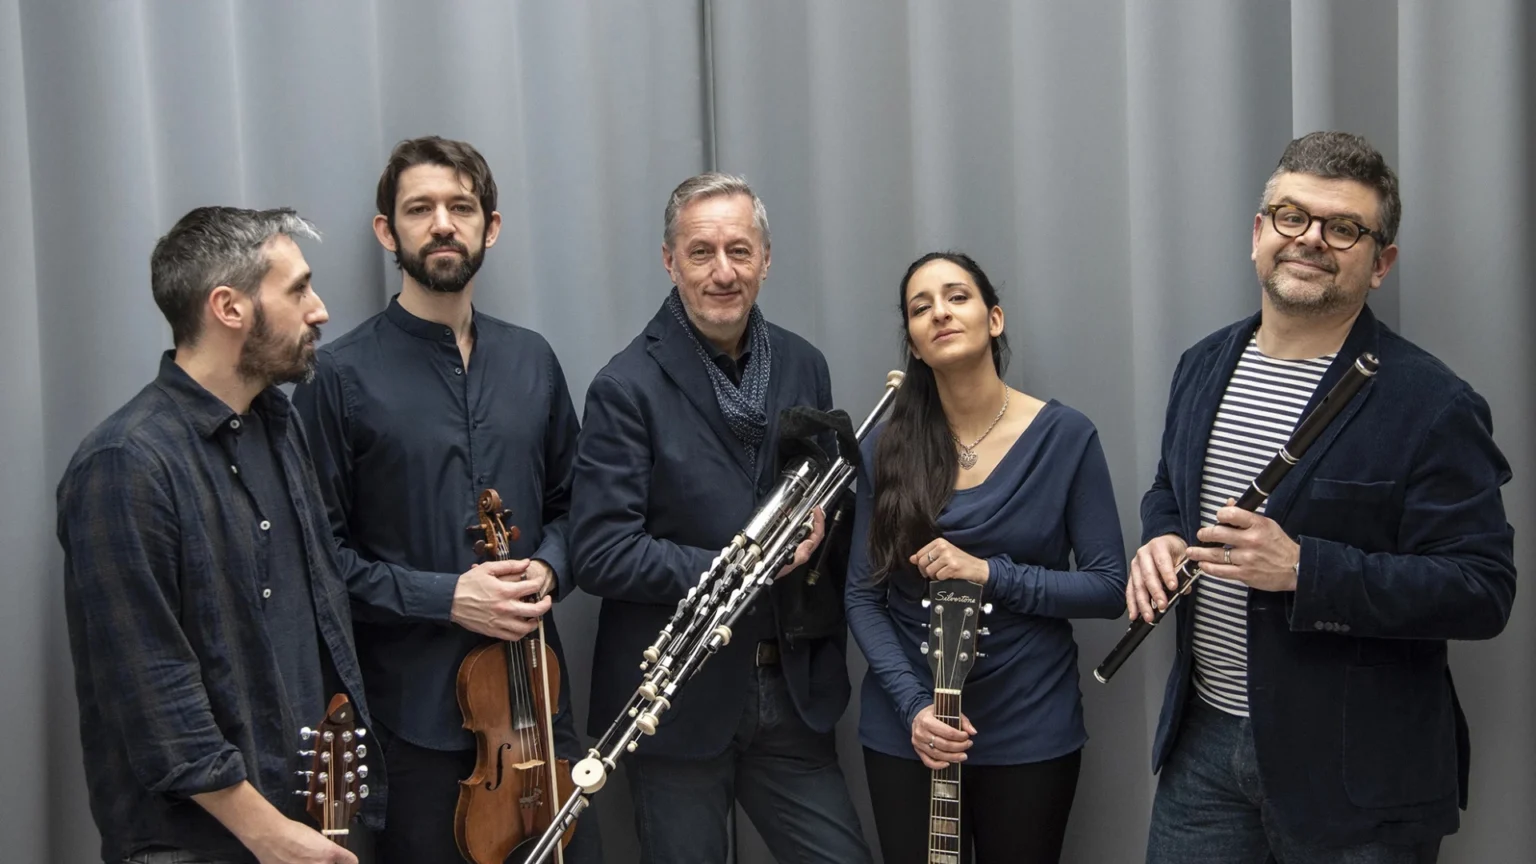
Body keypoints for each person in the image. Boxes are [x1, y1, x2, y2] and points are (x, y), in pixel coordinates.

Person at [1127, 131, 1516, 863]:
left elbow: (1482, 589)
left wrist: (1306, 570)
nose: (1310, 239)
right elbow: (1169, 489)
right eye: (1291, 216)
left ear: (1381, 263)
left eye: (1343, 228)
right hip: (1203, 745)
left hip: (1356, 773)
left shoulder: (1434, 403)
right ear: (1258, 233)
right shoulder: (1202, 364)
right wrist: (1162, 535)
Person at [292, 136, 599, 863]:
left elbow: (578, 504)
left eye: (461, 207)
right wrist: (446, 597)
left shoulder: (532, 359)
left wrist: (551, 567)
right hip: (411, 724)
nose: (441, 224)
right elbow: (316, 563)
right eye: (419, 208)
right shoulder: (337, 378)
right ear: (386, 231)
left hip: (539, 711)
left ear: (490, 227)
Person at [569, 172, 872, 863]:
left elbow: (824, 496)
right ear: (670, 261)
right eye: (701, 252)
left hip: (790, 691)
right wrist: (743, 566)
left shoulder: (803, 363)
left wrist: (825, 521)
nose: (723, 272)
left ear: (766, 259)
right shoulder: (625, 386)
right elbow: (601, 553)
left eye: (740, 250)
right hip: (677, 700)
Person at [58, 206, 376, 864]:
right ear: (229, 308)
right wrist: (268, 834)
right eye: (298, 290)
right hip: (199, 847)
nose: (319, 310)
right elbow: (152, 689)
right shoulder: (125, 464)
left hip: (311, 828)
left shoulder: (279, 426)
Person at [843, 251, 1127, 864]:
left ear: (994, 319)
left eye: (957, 297)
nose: (940, 313)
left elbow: (1109, 589)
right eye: (921, 307)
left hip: (1030, 724)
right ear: (914, 345)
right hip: (909, 728)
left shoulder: (1066, 436)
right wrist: (914, 708)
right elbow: (862, 596)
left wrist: (989, 574)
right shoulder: (886, 447)